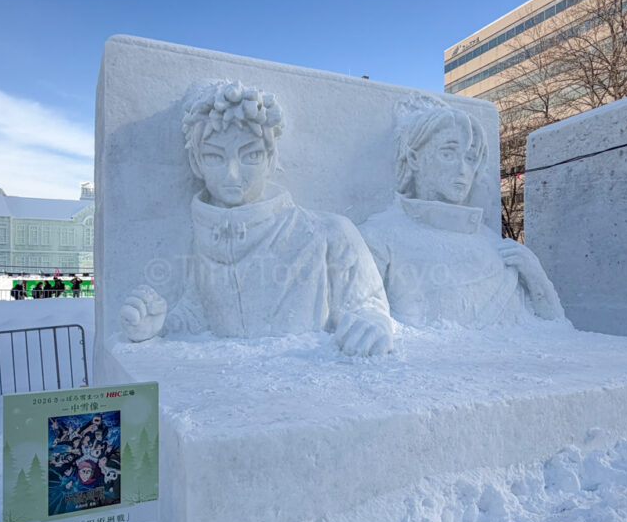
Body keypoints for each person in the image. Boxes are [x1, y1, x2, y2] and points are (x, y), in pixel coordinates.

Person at [120, 80, 393, 356]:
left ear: (271, 158)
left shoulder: (329, 233)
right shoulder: (197, 240)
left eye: (250, 156)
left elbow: (367, 306)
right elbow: (199, 315)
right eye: (215, 157)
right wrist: (155, 326)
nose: (232, 176)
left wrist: (373, 324)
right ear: (196, 163)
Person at [359, 98, 564, 328]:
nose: (462, 170)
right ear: (414, 158)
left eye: (470, 158)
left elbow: (556, 330)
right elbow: (358, 312)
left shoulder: (496, 245)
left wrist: (536, 277)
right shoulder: (379, 236)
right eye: (448, 154)